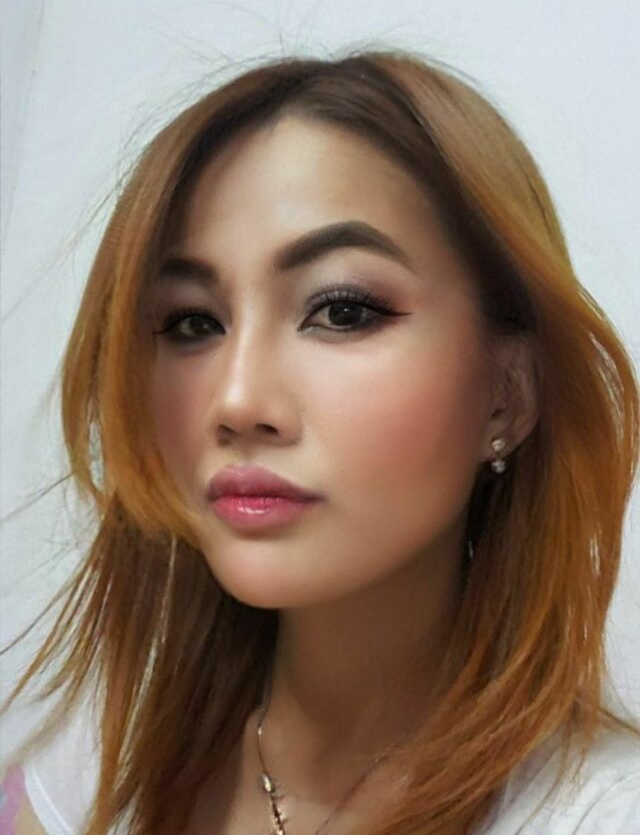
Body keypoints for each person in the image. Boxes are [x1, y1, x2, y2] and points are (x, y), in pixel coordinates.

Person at [1, 47, 639, 835]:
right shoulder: (95, 765)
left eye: (342, 310)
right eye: (192, 322)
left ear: (508, 393)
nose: (237, 401)